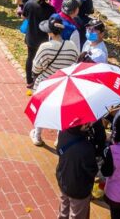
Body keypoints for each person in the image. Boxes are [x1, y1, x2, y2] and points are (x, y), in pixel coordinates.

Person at [31, 16, 83, 146]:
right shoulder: (71, 46)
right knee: (61, 112)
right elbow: (75, 62)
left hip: (46, 83)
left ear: (50, 32)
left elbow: (36, 67)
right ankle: (59, 138)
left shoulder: (45, 47)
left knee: (42, 110)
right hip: (63, 85)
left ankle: (37, 135)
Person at [55, 122, 99, 219]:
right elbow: (92, 170)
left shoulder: (63, 132)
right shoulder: (86, 147)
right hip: (79, 188)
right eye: (86, 123)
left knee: (63, 211)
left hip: (63, 179)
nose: (89, 124)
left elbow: (59, 150)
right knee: (77, 215)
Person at [22, 0, 55, 88]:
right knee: (41, 59)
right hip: (43, 39)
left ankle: (29, 80)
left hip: (31, 36)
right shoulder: (51, 9)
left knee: (30, 57)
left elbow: (24, 16)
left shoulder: (30, 3)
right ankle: (38, 78)